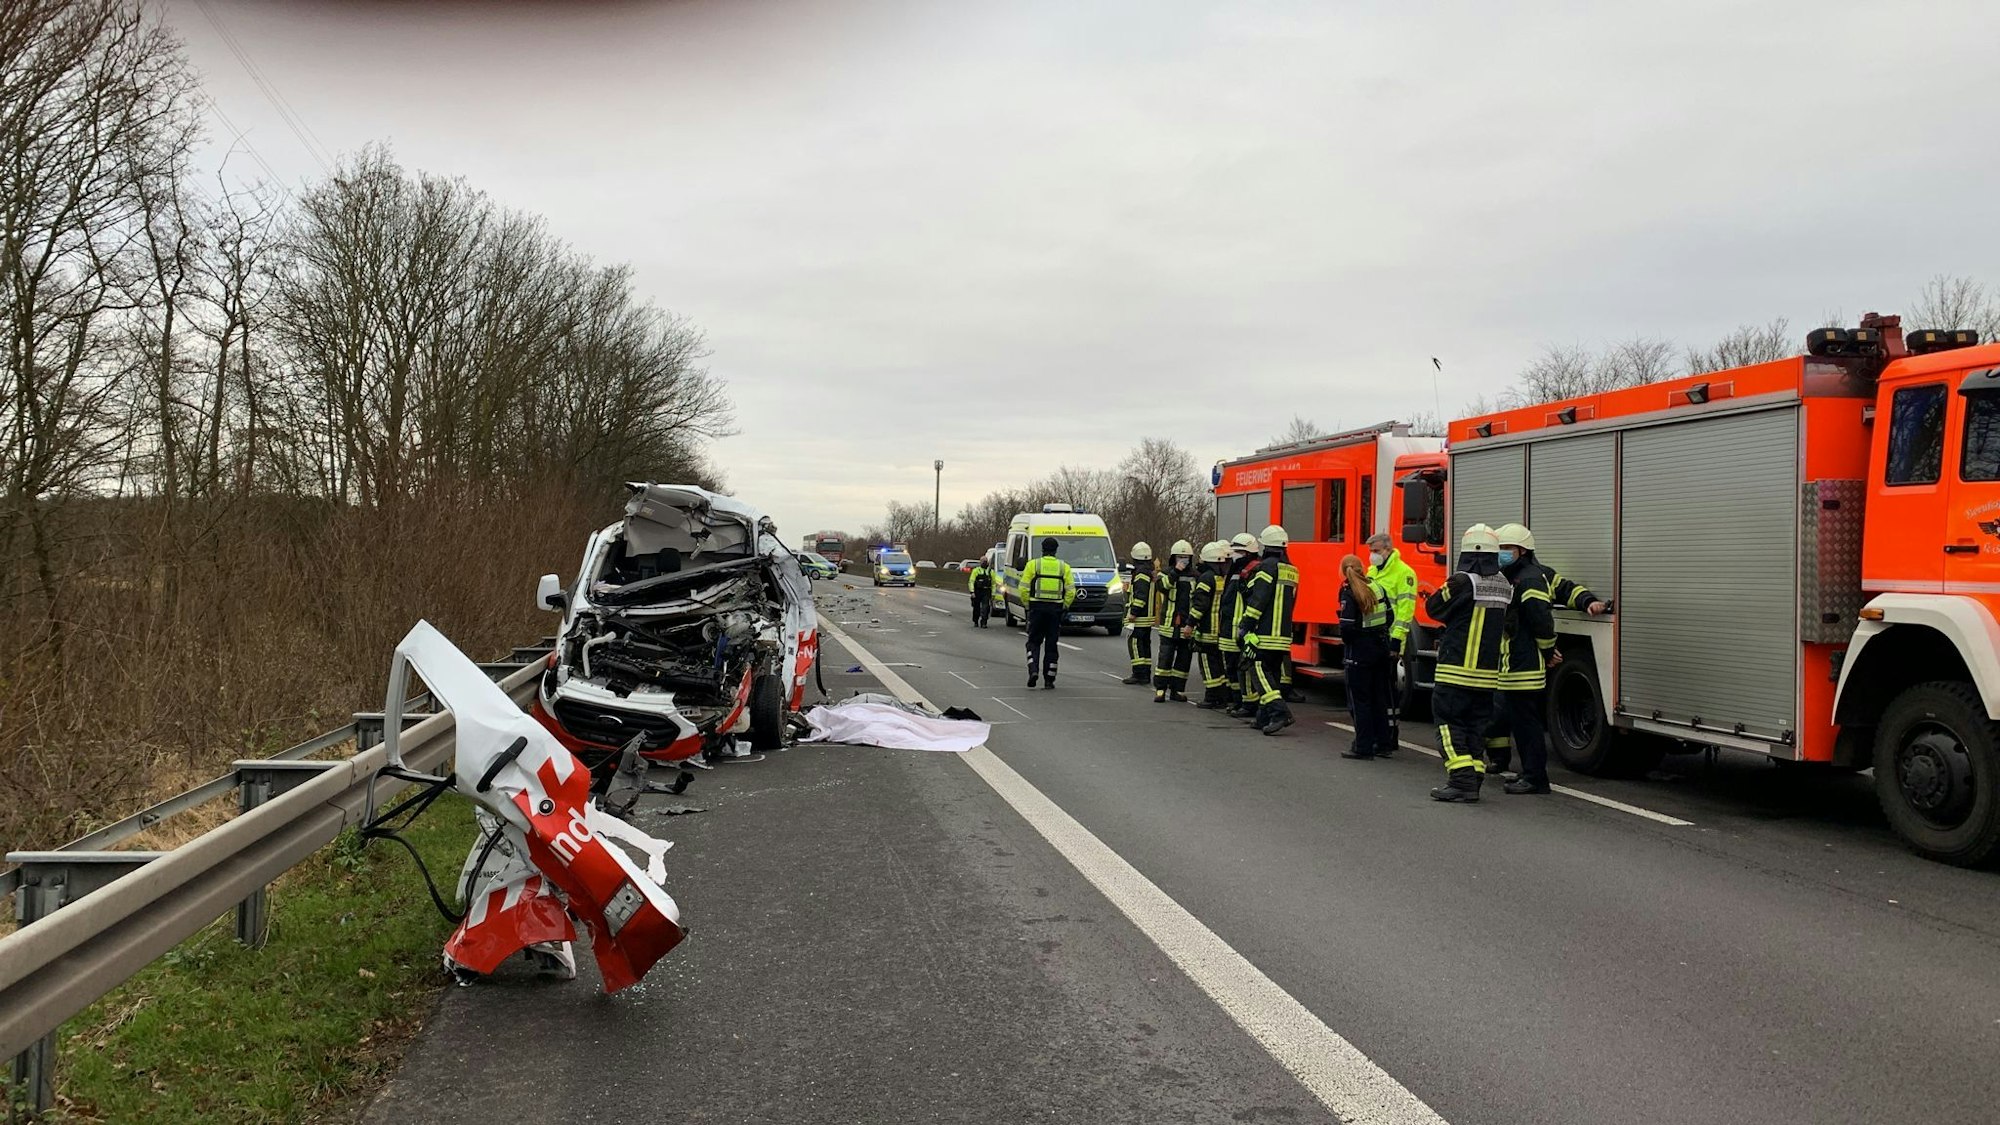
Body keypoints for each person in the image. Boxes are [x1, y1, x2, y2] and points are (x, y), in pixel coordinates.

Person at [1486, 522, 1608, 793]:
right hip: (1511, 664)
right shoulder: (1510, 575)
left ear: (1522, 550)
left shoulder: (1528, 578)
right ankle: (1521, 770)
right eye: (1500, 548)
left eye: (1506, 548)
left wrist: (1548, 648)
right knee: (1515, 719)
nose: (1501, 553)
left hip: (1523, 665)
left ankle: (1534, 778)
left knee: (1526, 724)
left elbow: (1543, 616)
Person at [1423, 524, 1510, 801]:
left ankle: (1461, 780)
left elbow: (1434, 607)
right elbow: (1512, 625)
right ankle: (1473, 779)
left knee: (1448, 724)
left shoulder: (1462, 582)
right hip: (1486, 676)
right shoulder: (1504, 585)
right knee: (1475, 728)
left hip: (1456, 671)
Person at [1239, 525, 1299, 736]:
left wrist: (1246, 624)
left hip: (1264, 633)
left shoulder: (1266, 568)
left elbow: (1259, 599)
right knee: (1272, 673)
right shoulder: (1291, 569)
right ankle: (1263, 717)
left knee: (1258, 670)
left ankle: (1279, 712)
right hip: (1283, 634)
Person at [1336, 553, 1394, 759]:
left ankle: (1363, 747)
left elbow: (1347, 627)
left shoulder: (1347, 591)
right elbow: (1390, 616)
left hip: (1359, 652)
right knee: (1379, 698)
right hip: (1380, 649)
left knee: (1360, 701)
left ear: (1344, 571)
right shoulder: (1377, 586)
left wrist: (1352, 641)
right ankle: (1384, 743)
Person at [1366, 531, 1417, 752]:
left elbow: (1405, 612)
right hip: (1372, 639)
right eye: (1371, 552)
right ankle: (1380, 733)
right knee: (1375, 691)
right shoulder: (1372, 571)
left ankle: (1390, 735)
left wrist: (1397, 641)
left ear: (1388, 549)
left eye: (1376, 551)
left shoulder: (1404, 573)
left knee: (1387, 693)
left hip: (1389, 641)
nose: (1372, 556)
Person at [1019, 536, 1076, 689]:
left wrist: (1028, 605)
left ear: (1042, 549)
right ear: (1056, 550)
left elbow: (1023, 588)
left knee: (1033, 642)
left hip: (1037, 608)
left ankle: (1033, 670)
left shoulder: (1033, 565)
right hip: (1055, 610)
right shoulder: (1064, 567)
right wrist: (1065, 606)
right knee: (1051, 645)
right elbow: (1071, 591)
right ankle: (1049, 679)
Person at [1219, 532, 1261, 719]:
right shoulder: (1236, 569)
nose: (1235, 555)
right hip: (1230, 625)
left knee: (1243, 667)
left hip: (1243, 627)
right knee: (1233, 666)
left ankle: (1249, 703)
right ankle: (1238, 701)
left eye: (1239, 551)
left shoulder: (1253, 570)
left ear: (1248, 552)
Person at [1190, 541, 1233, 709]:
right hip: (1221, 630)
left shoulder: (1206, 578)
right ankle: (1223, 696)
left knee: (1208, 665)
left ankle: (1212, 697)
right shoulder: (1222, 578)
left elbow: (1200, 605)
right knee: (1219, 665)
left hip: (1207, 630)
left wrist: (1190, 624)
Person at [1154, 540, 1198, 702]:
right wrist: (1175, 573)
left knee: (1184, 659)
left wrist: (1192, 623)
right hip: (1169, 623)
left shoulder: (1195, 576)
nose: (1183, 560)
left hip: (1187, 624)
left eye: (1186, 558)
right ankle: (1160, 689)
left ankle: (1177, 690)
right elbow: (1162, 587)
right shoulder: (1166, 573)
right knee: (1165, 657)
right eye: (1180, 557)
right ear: (1173, 558)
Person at [1121, 541, 1159, 685]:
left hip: (1140, 618)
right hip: (1147, 617)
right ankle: (1145, 673)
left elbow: (1141, 596)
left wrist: (1133, 613)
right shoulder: (1148, 572)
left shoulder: (1141, 574)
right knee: (1144, 644)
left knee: (1135, 643)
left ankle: (1138, 673)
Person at [967, 557, 995, 628]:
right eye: (983, 561)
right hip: (977, 591)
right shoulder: (976, 570)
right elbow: (971, 581)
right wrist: (972, 592)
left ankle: (984, 622)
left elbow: (993, 584)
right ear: (980, 562)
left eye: (986, 561)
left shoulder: (991, 572)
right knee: (976, 607)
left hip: (986, 591)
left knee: (986, 607)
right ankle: (975, 620)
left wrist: (993, 594)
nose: (985, 562)